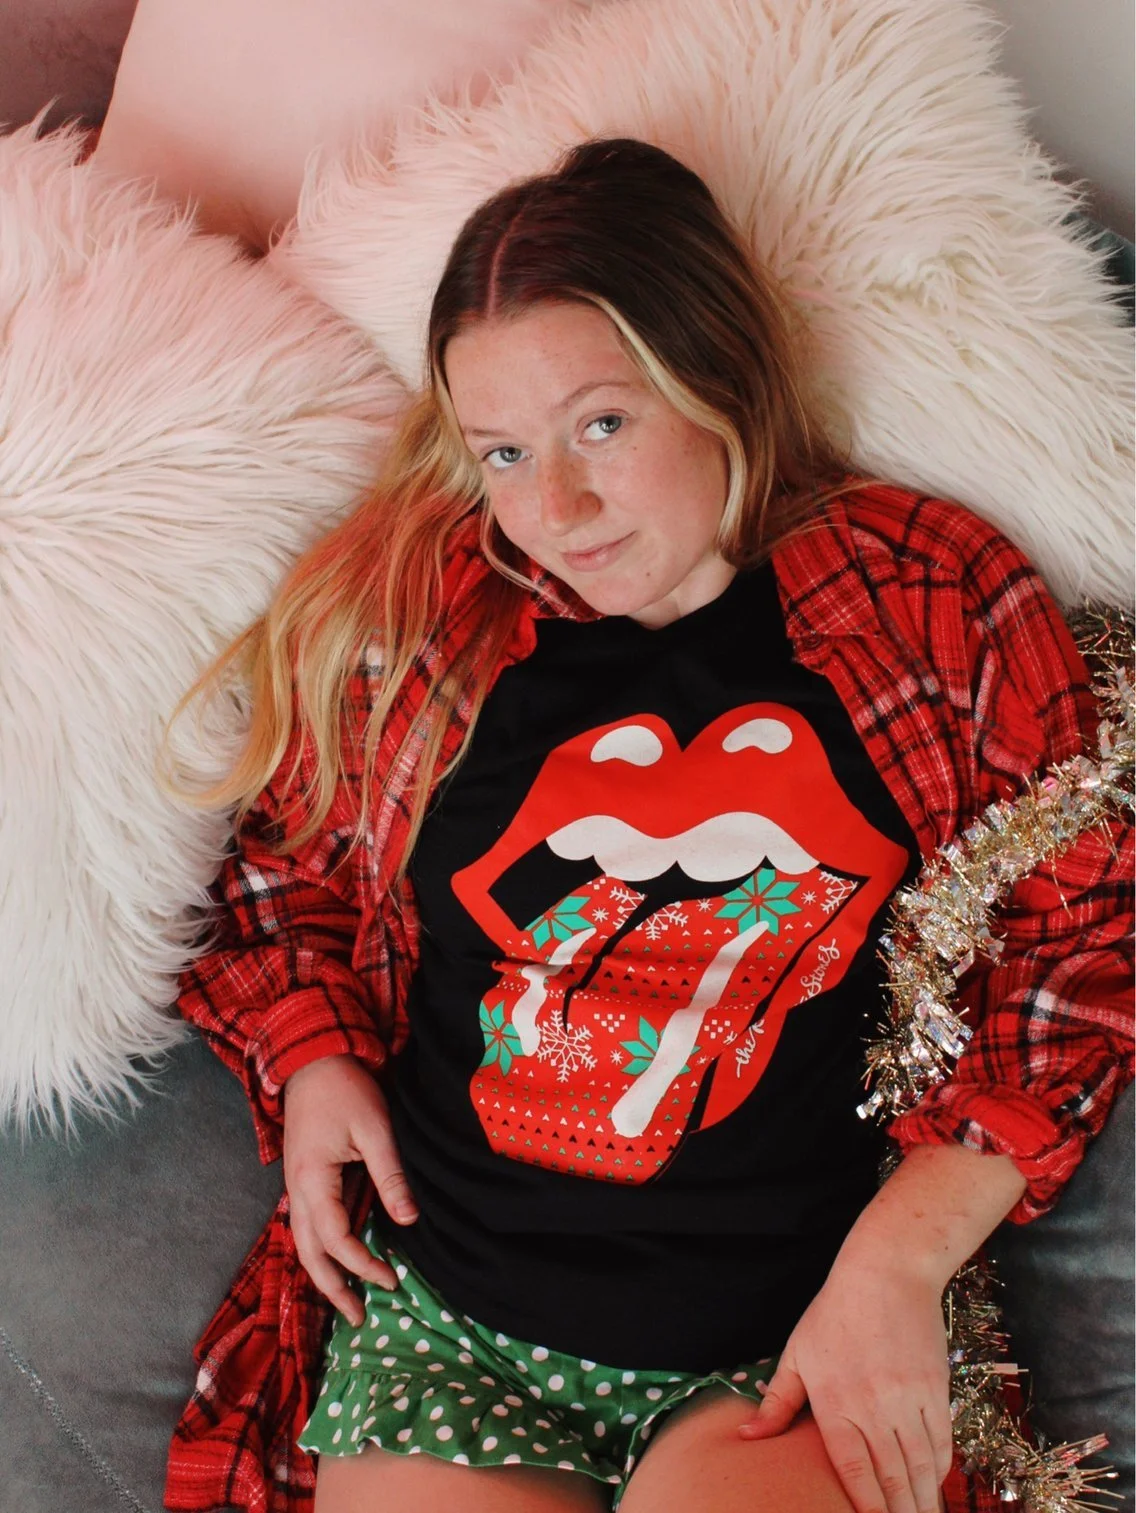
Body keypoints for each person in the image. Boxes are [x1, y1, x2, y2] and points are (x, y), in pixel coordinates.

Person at [163, 139, 1133, 1513]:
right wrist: (314, 1058)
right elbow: (279, 879)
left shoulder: (923, 593)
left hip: (782, 1345)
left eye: (602, 426)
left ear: (715, 373)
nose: (555, 509)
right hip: (453, 1326)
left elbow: (1083, 938)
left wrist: (900, 1261)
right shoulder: (425, 618)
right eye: (506, 453)